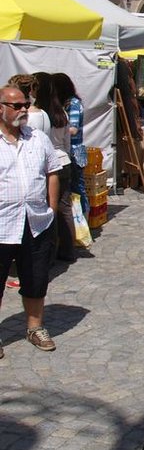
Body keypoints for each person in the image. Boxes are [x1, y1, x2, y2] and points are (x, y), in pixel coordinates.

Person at [0, 85, 61, 357]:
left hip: (35, 221)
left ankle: (34, 327)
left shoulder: (37, 138)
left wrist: (51, 209)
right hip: (2, 223)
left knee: (36, 278)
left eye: (26, 104)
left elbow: (53, 172)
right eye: (17, 105)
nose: (24, 109)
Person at [29, 73, 75, 262]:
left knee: (50, 209)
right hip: (64, 160)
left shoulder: (39, 114)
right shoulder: (60, 112)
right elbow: (67, 142)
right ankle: (68, 249)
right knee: (64, 209)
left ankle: (49, 252)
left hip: (49, 164)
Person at [51, 73, 86, 207]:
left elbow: (73, 129)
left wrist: (57, 132)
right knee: (74, 189)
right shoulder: (68, 102)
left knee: (78, 189)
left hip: (74, 151)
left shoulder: (73, 103)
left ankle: (83, 221)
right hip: (72, 150)